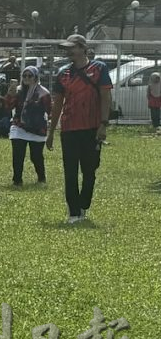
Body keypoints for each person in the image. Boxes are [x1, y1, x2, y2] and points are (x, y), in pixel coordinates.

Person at [47, 34, 112, 224]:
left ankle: (83, 204)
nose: (68, 52)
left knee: (90, 170)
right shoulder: (63, 73)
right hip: (69, 129)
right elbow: (57, 104)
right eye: (66, 48)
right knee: (70, 170)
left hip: (91, 128)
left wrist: (103, 123)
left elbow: (106, 97)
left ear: (83, 48)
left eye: (72, 48)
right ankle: (74, 211)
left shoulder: (99, 68)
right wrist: (51, 132)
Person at [6, 65, 51, 186]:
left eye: (30, 75)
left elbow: (49, 110)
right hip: (18, 126)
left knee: (36, 156)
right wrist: (10, 94)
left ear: (36, 77)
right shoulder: (18, 90)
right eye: (24, 75)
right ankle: (17, 181)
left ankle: (41, 178)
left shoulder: (43, 93)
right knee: (18, 155)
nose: (27, 78)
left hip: (37, 128)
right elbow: (8, 107)